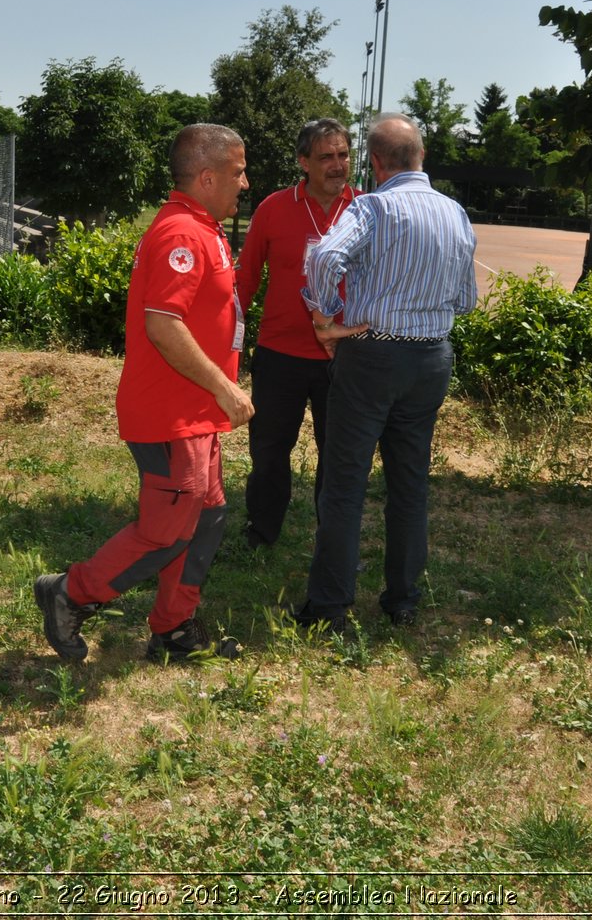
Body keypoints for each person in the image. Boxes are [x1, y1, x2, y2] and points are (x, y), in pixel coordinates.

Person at [34, 123, 255, 662]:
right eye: (238, 172)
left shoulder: (203, 228)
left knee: (205, 519)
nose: (245, 184)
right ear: (206, 177)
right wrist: (226, 388)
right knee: (166, 530)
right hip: (170, 415)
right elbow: (164, 325)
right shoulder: (181, 235)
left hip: (196, 413)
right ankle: (69, 594)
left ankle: (174, 629)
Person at [289, 113, 478, 633]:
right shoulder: (455, 213)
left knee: (346, 484)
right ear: (420, 156)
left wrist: (325, 318)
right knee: (410, 483)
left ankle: (328, 606)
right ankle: (403, 599)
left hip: (372, 354)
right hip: (431, 357)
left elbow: (325, 257)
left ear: (374, 163)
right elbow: (466, 300)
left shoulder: (374, 207)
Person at [235, 118, 360, 549]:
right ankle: (261, 532)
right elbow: (245, 280)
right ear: (303, 161)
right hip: (279, 354)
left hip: (345, 357)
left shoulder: (367, 209)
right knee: (269, 453)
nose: (337, 164)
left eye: (343, 154)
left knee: (340, 456)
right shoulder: (273, 208)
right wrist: (227, 345)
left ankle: (335, 539)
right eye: (326, 156)